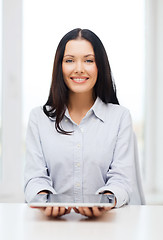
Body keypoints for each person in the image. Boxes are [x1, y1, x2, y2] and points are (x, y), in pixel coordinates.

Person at [24, 28, 138, 218]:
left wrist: (106, 200)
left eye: (88, 60)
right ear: (59, 66)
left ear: (99, 66)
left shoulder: (120, 117)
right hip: (50, 228)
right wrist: (45, 199)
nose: (79, 68)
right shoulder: (39, 118)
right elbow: (35, 177)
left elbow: (122, 179)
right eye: (69, 60)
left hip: (107, 227)